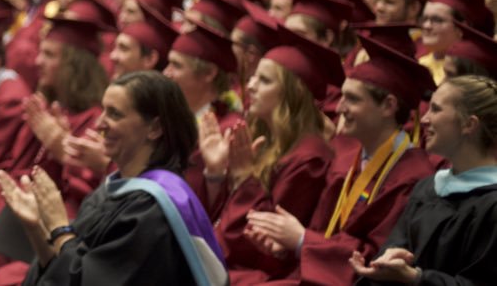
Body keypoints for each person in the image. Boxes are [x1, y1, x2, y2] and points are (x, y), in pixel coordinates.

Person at [0, 71, 225, 285]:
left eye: (114, 114)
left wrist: (58, 225)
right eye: (103, 110)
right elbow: (63, 272)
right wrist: (36, 227)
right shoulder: (115, 189)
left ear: (154, 128)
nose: (99, 123)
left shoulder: (151, 210)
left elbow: (88, 280)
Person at [241, 37, 437, 284]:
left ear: (388, 106)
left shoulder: (411, 178)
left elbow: (377, 260)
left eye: (353, 99)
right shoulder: (346, 161)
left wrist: (303, 240)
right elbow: (327, 234)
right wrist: (285, 246)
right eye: (342, 96)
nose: (340, 108)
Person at [201, 28, 340, 281]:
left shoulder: (309, 160)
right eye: (253, 78)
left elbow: (258, 247)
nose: (250, 86)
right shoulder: (266, 141)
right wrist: (216, 173)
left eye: (264, 81)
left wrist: (244, 178)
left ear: (293, 93)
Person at [351, 75, 497, 284]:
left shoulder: (491, 205)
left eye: (436, 109)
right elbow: (395, 250)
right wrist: (383, 266)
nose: (425, 118)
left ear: (469, 124)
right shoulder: (428, 188)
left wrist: (417, 278)